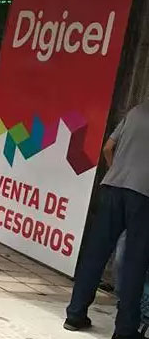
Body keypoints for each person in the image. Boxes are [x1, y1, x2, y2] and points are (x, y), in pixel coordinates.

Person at [65, 101, 149, 339]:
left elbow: (107, 148)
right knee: (135, 262)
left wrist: (118, 172)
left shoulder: (136, 111)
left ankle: (75, 313)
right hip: (143, 196)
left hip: (113, 187)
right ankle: (125, 330)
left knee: (96, 253)